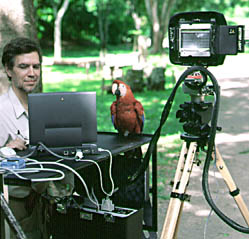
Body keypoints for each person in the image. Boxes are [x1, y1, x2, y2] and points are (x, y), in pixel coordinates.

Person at [0, 37, 74, 239]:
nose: (32, 73)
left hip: (46, 204)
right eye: (23, 67)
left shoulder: (45, 107)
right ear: (8, 70)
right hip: (14, 208)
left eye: (36, 66)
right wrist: (4, 151)